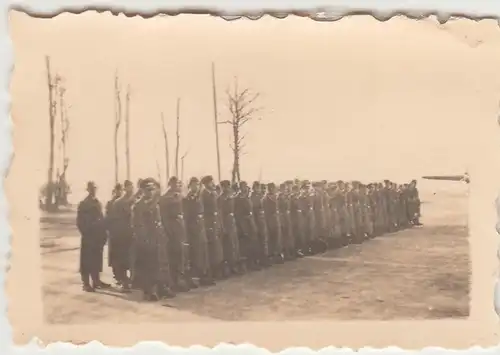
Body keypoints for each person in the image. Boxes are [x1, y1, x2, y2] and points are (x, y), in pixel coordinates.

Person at [134, 178, 175, 301]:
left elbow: (159, 221)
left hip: (158, 238)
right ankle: (149, 291)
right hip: (147, 240)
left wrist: (162, 235)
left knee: (161, 263)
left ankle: (162, 287)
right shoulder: (138, 206)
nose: (150, 192)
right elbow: (138, 225)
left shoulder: (154, 204)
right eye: (148, 190)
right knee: (148, 266)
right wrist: (145, 240)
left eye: (152, 189)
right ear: (142, 190)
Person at [159, 176, 195, 292]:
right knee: (174, 255)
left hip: (180, 228)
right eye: (175, 184)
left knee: (182, 254)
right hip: (172, 229)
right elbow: (164, 216)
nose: (178, 186)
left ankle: (182, 279)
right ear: (170, 185)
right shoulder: (166, 198)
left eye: (179, 184)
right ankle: (174, 281)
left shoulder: (179, 196)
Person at [76, 181, 111, 292]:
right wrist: (86, 232)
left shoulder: (97, 202)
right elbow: (80, 221)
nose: (93, 190)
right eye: (91, 188)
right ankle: (86, 283)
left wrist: (104, 232)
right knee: (87, 260)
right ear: (88, 189)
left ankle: (96, 281)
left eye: (95, 188)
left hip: (97, 236)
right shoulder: (84, 203)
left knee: (97, 259)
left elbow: (101, 218)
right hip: (88, 236)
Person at [183, 177, 215, 286]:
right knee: (195, 255)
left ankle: (204, 276)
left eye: (197, 185)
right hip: (193, 228)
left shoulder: (200, 197)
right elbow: (187, 216)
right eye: (193, 185)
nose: (195, 187)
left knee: (203, 253)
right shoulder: (187, 199)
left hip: (201, 227)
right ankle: (196, 278)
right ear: (189, 186)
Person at [109, 180, 135, 291]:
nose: (131, 189)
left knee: (130, 258)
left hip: (130, 233)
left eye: (132, 187)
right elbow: (115, 219)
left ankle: (129, 280)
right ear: (125, 189)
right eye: (129, 187)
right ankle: (123, 281)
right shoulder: (119, 202)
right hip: (121, 234)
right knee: (122, 259)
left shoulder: (133, 200)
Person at [200, 175, 225, 279]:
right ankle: (212, 273)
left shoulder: (214, 193)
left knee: (217, 249)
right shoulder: (203, 195)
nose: (212, 184)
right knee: (211, 249)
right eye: (210, 182)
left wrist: (220, 223)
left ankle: (218, 270)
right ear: (205, 184)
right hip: (209, 224)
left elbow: (217, 210)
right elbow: (203, 211)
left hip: (215, 223)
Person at [218, 180, 242, 276]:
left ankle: (235, 264)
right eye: (225, 187)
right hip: (226, 222)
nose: (227, 188)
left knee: (235, 244)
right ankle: (230, 266)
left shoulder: (231, 197)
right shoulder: (220, 198)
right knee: (229, 246)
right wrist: (222, 226)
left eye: (228, 186)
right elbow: (220, 213)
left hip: (232, 221)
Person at [234, 181, 260, 270]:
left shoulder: (247, 197)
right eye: (243, 187)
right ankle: (247, 264)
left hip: (250, 222)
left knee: (253, 243)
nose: (245, 188)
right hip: (243, 224)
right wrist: (242, 225)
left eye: (246, 186)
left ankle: (253, 262)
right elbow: (237, 214)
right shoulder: (238, 198)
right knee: (245, 245)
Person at [105, 183, 123, 286]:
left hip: (122, 231)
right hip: (114, 231)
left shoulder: (124, 201)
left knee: (122, 254)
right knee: (115, 255)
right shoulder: (110, 203)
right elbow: (108, 217)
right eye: (117, 190)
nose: (119, 192)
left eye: (120, 190)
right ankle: (117, 275)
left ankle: (121, 276)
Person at [251, 181, 270, 267]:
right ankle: (257, 260)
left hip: (262, 220)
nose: (258, 189)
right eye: (257, 188)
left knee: (264, 241)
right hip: (256, 221)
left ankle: (264, 258)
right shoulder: (252, 197)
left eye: (259, 188)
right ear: (254, 188)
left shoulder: (261, 196)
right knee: (257, 242)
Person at [263, 182, 283, 263]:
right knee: (271, 239)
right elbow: (266, 211)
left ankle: (277, 255)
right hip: (270, 220)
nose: (275, 189)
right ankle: (271, 256)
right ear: (271, 188)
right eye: (274, 188)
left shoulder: (276, 197)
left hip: (276, 219)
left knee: (277, 238)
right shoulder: (266, 199)